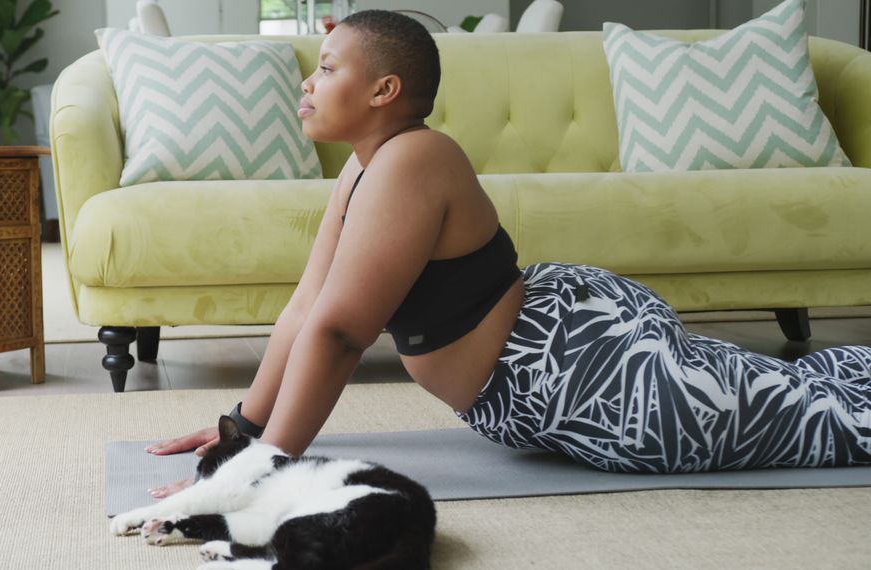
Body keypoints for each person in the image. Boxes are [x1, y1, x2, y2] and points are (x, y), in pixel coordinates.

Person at [146, 10, 871, 495]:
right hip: (551, 375)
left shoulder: (416, 158)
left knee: (822, 416)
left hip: (593, 376)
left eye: (329, 69)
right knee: (807, 384)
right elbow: (306, 310)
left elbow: (341, 333)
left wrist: (258, 473)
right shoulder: (364, 167)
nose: (308, 81)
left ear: (384, 90)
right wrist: (238, 428)